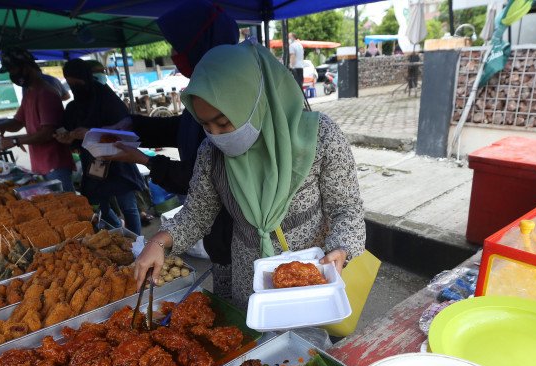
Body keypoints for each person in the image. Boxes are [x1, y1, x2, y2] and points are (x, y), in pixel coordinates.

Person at [134, 41, 366, 309]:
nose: (216, 135)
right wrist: (159, 242)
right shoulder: (211, 154)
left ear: (254, 101)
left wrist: (341, 249)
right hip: (250, 279)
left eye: (223, 122)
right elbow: (196, 215)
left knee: (310, 347)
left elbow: (346, 208)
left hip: (313, 277)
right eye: (206, 125)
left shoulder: (320, 137)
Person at [101, 0, 240, 298]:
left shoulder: (236, 96)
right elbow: (184, 130)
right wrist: (133, 124)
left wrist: (143, 160)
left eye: (178, 46)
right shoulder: (201, 100)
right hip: (221, 242)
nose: (213, 134)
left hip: (244, 243)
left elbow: (192, 178)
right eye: (208, 125)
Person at [55, 59, 144, 235]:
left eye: (78, 83)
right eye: (71, 84)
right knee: (97, 205)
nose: (75, 88)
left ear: (86, 78)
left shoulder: (108, 99)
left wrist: (91, 132)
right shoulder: (74, 107)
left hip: (118, 159)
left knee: (128, 206)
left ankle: (137, 241)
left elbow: (124, 129)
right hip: (93, 164)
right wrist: (68, 138)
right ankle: (119, 232)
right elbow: (70, 131)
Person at [0, 47, 75, 192]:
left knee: (69, 208)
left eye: (12, 70)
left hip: (55, 164)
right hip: (40, 164)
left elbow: (47, 133)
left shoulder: (46, 93)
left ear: (26, 67)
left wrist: (15, 141)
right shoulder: (30, 93)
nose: (11, 75)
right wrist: (0, 126)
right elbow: (18, 123)